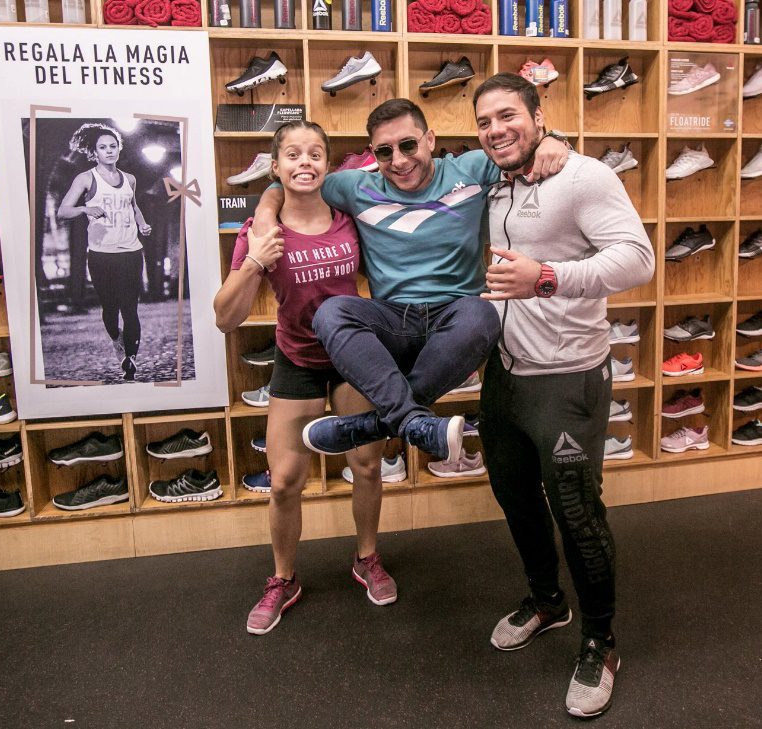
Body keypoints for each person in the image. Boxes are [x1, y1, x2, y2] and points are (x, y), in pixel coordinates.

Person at [472, 73, 654, 719]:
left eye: (507, 116)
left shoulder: (583, 177)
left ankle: (601, 641)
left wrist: (545, 277)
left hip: (568, 377)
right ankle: (548, 601)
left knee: (576, 511)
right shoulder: (492, 176)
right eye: (485, 121)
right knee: (515, 497)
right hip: (505, 373)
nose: (496, 129)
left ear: (537, 115)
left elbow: (637, 258)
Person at [252, 99, 569, 464]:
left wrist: (553, 139)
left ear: (430, 139)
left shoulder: (470, 169)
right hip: (393, 321)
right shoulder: (354, 186)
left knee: (485, 313)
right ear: (373, 154)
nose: (399, 161)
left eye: (408, 145)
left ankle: (371, 426)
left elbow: (521, 149)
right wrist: (265, 209)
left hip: (455, 318)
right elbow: (290, 184)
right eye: (385, 151)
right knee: (330, 313)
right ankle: (411, 420)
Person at [213, 121, 392, 635]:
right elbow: (225, 318)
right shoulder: (261, 231)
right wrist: (253, 263)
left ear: (327, 165)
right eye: (293, 154)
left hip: (351, 355)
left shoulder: (349, 219)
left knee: (367, 464)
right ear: (277, 167)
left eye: (315, 153)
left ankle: (367, 558)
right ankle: (283, 578)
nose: (305, 162)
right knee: (286, 481)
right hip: (297, 359)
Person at [57, 123, 152, 382]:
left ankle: (130, 359)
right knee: (110, 308)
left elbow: (134, 207)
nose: (109, 151)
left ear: (119, 149)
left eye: (113, 146)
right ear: (94, 152)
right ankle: (117, 345)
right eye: (103, 147)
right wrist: (86, 209)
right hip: (101, 255)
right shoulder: (86, 179)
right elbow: (63, 211)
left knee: (130, 308)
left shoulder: (129, 179)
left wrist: (142, 224)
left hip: (131, 251)